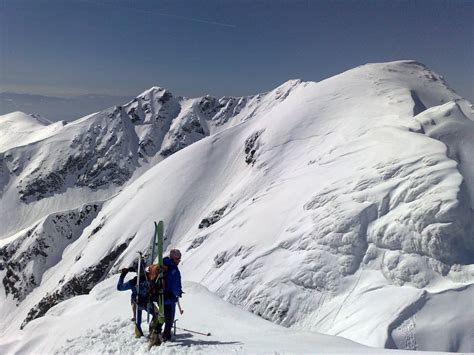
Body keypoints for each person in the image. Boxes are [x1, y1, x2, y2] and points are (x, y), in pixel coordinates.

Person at [117, 265, 160, 338]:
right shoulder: (150, 278)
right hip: (148, 303)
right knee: (157, 315)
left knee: (138, 321)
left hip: (137, 303)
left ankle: (138, 334)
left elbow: (119, 287)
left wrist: (123, 275)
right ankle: (153, 331)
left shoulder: (133, 282)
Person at [161, 248, 183, 341]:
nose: (179, 261)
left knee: (163, 316)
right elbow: (175, 286)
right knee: (169, 318)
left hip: (160, 295)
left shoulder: (164, 264)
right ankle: (166, 337)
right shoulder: (173, 270)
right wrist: (179, 293)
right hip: (169, 297)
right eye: (178, 258)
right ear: (173, 258)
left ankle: (156, 332)